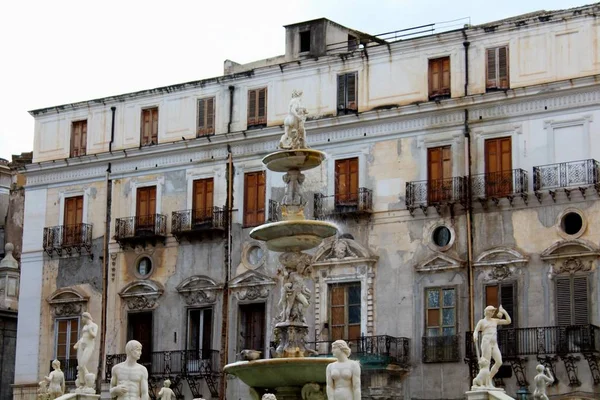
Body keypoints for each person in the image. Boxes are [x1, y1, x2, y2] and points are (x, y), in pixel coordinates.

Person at [473, 305, 511, 382]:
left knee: (499, 362)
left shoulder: (495, 320)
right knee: (486, 363)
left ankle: (489, 378)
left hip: (494, 344)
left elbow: (508, 321)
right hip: (486, 342)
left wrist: (504, 311)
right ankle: (484, 380)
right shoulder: (482, 322)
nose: (493, 312)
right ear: (487, 312)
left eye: (493, 311)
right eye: (491, 311)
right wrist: (475, 335)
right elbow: (476, 330)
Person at [73, 312, 98, 386]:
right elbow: (83, 337)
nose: (82, 319)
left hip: (89, 345)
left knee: (82, 364)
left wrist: (90, 330)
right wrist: (77, 343)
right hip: (81, 344)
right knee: (80, 365)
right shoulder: (84, 327)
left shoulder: (94, 325)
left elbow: (94, 335)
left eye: (82, 318)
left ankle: (89, 380)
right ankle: (82, 383)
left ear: (86, 317)